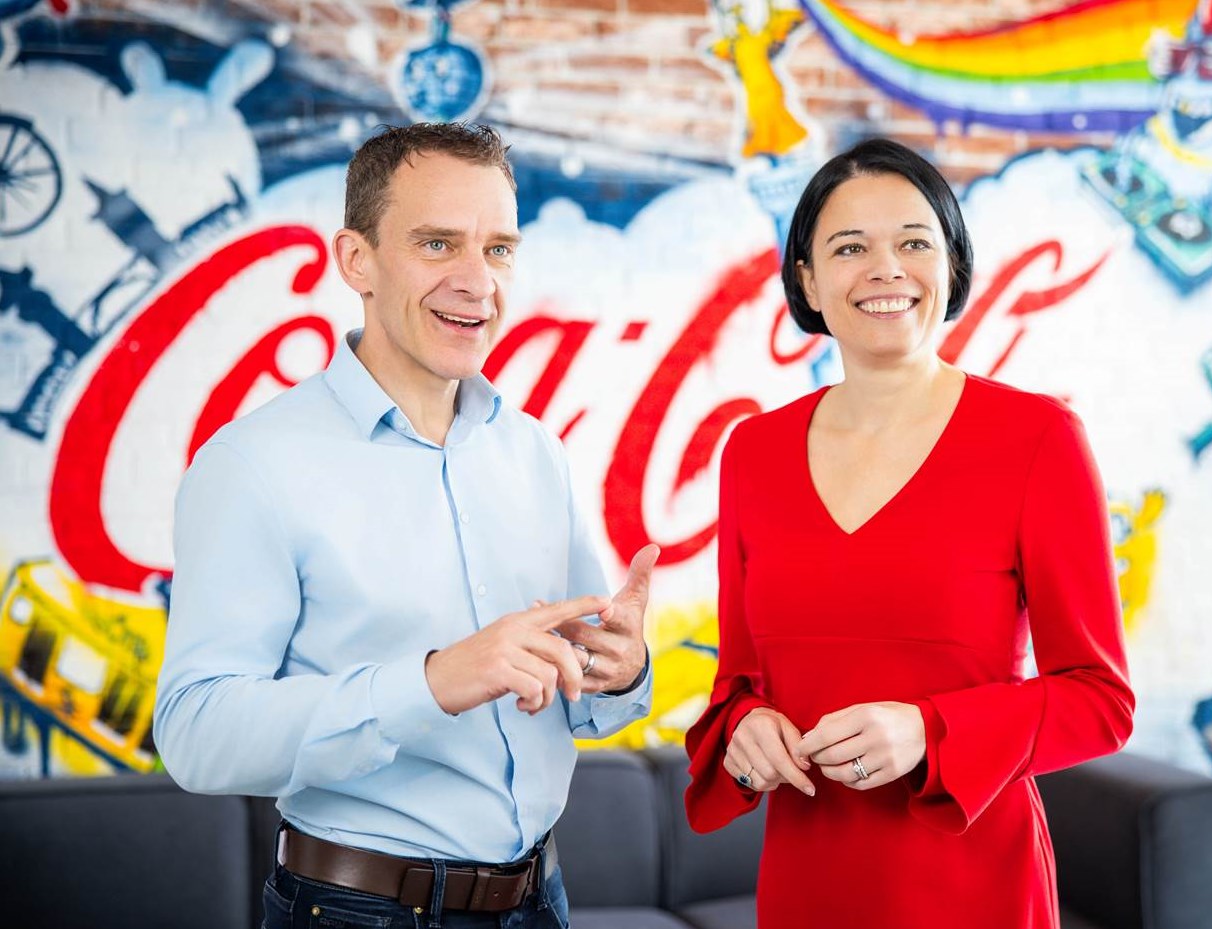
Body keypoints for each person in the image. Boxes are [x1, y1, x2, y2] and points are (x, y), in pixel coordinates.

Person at [154, 122, 657, 929]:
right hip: (360, 908)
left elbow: (582, 689)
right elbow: (196, 733)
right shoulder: (253, 463)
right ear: (356, 259)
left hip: (542, 896)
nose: (477, 282)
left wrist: (620, 669)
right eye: (436, 244)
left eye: (498, 249)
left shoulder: (533, 452)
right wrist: (429, 682)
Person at [683, 138, 1134, 928]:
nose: (885, 268)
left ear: (951, 267)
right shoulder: (752, 453)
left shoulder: (1037, 438)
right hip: (805, 883)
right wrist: (743, 731)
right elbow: (737, 686)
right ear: (807, 282)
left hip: (973, 884)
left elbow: (1100, 702)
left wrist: (929, 731)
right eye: (849, 247)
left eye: (914, 242)